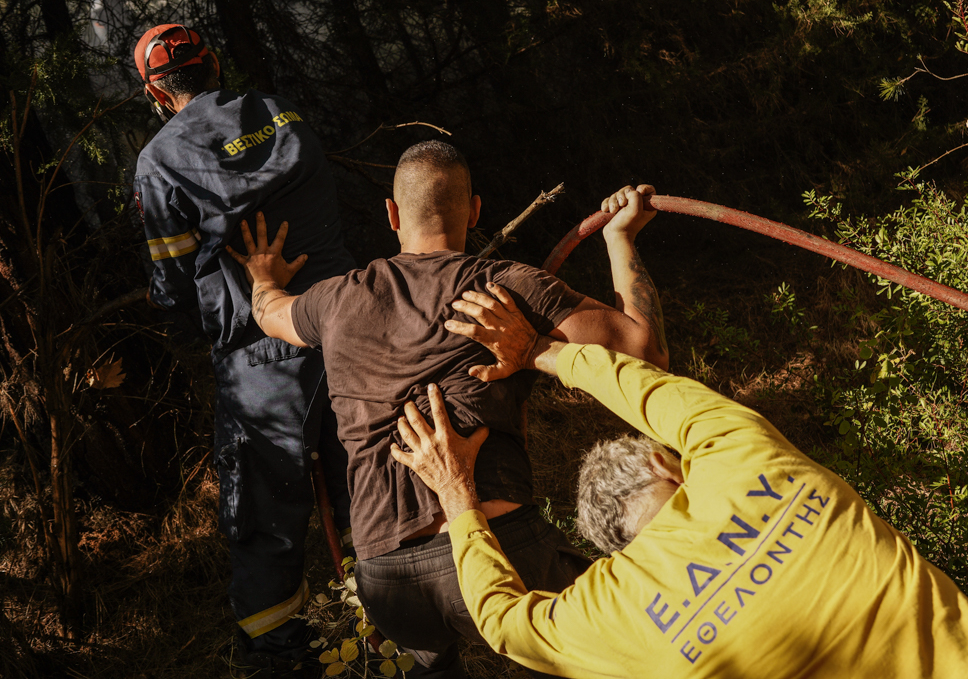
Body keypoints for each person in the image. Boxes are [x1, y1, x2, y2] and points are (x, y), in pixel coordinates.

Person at [389, 286, 968, 679]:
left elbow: (502, 622)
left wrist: (456, 495)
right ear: (668, 463)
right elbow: (651, 388)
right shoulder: (742, 457)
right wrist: (541, 353)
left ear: (613, 549)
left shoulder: (610, 613)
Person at [226, 139, 668, 677]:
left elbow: (272, 315)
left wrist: (263, 277)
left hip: (387, 580)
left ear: (391, 214)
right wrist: (621, 238)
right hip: (504, 548)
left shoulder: (335, 300)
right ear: (475, 209)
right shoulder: (504, 287)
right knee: (609, 655)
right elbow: (644, 352)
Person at [131, 24, 356, 674]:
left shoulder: (160, 161)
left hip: (261, 362)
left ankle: (283, 655)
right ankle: (396, 626)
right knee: (369, 480)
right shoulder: (282, 113)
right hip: (348, 326)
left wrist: (190, 325)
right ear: (214, 64)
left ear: (154, 92)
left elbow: (172, 289)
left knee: (261, 518)